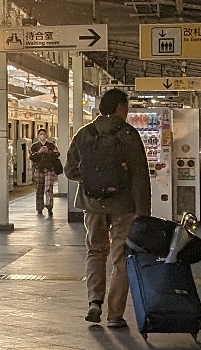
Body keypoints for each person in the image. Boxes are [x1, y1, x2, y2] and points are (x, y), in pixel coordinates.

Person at [65, 89, 153, 327]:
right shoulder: (128, 134)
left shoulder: (85, 133)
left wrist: (91, 180)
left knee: (95, 251)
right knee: (121, 257)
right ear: (118, 107)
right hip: (123, 205)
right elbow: (140, 176)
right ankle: (115, 315)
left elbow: (69, 170)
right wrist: (144, 213)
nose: (127, 111)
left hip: (91, 204)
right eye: (126, 106)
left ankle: (94, 302)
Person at [30, 136, 63, 217]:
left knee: (48, 188)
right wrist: (39, 152)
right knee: (39, 189)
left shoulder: (51, 145)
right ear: (38, 136)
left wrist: (48, 152)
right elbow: (31, 157)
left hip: (49, 169)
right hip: (39, 169)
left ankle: (49, 206)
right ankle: (39, 208)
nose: (42, 136)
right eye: (40, 134)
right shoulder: (34, 146)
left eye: (44, 134)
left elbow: (57, 154)